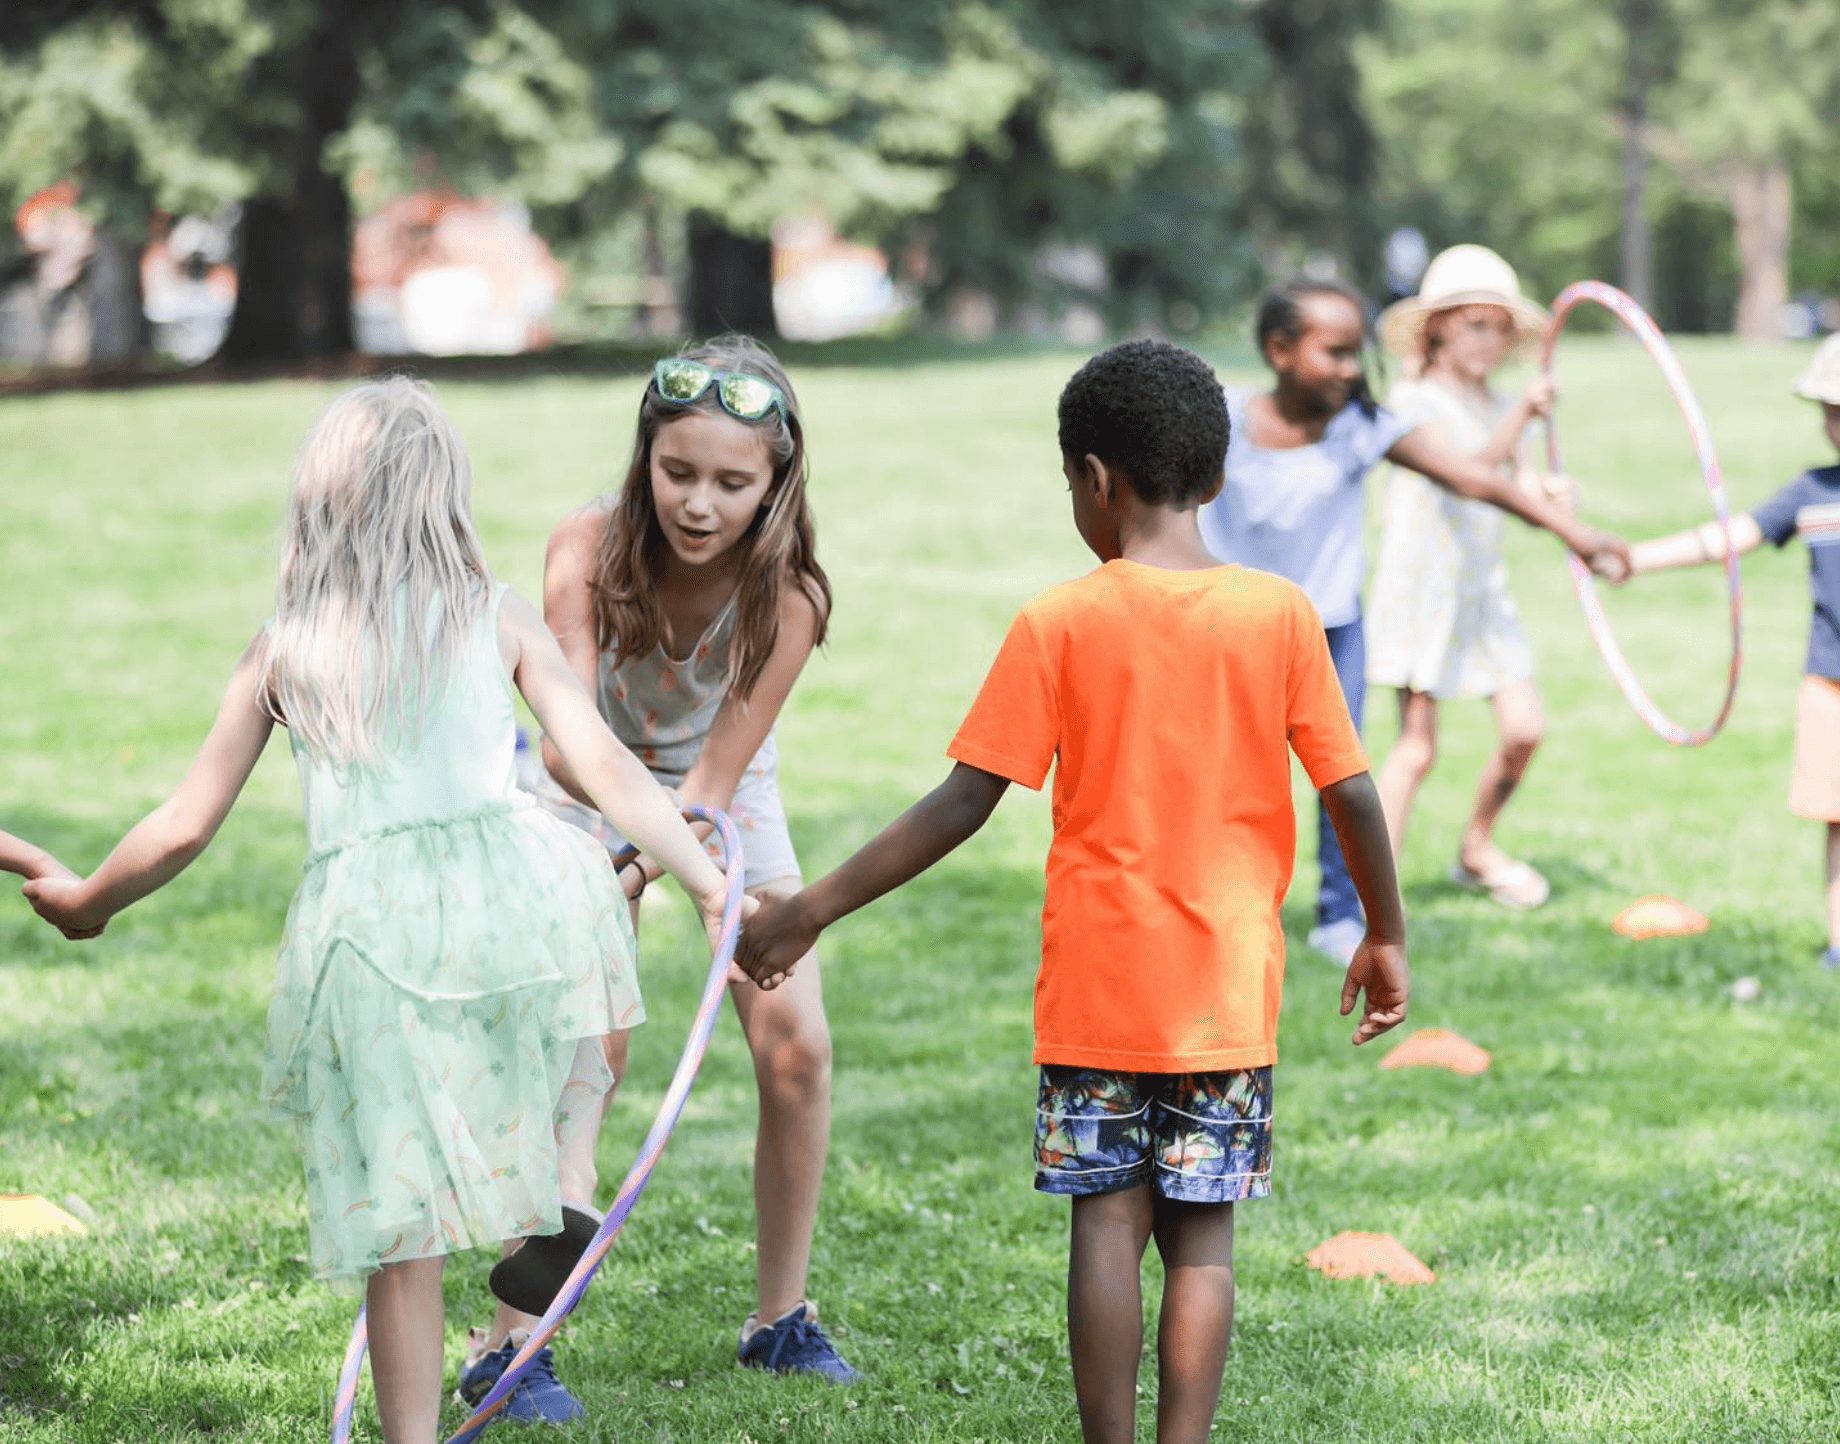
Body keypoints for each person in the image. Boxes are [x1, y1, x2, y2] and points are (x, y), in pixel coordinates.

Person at [23, 378, 733, 1441]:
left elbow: (183, 821)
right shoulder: (493, 613)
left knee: (402, 1217)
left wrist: (88, 900)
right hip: (512, 890)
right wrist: (711, 877)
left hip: (370, 934)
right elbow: (601, 763)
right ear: (445, 497)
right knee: (569, 1044)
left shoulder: (287, 646)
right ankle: (564, 1183)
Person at [732, 340, 1412, 1444]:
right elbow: (1353, 791)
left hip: (1099, 993)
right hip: (1224, 998)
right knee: (1202, 1242)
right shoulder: (1281, 615)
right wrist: (1382, 932)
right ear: (1217, 472)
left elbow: (961, 803)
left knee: (1105, 1225)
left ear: (1095, 479)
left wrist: (808, 907)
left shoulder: (1060, 619)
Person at [500, 334, 853, 1406]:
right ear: (643, 457)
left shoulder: (790, 596)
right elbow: (566, 738)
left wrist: (675, 868)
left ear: (776, 483)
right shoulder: (586, 546)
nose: (698, 503)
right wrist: (619, 866)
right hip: (581, 778)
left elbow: (711, 779)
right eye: (677, 471)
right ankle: (512, 1342)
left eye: (731, 482)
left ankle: (777, 1319)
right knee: (582, 1047)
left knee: (794, 1041)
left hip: (714, 794)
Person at [1198, 276, 1630, 963]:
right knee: (1230, 777)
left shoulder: (1361, 427)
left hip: (1328, 631)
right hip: (1227, 627)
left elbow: (1475, 478)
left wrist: (1572, 531)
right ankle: (1219, 911)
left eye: (1354, 353)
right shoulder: (1221, 419)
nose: (1349, 369)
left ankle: (1342, 917)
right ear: (1279, 349)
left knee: (1339, 778)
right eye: (1333, 353)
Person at [1626, 333, 1840, 969]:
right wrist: (1631, 560)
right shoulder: (1811, 493)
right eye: (1829, 411)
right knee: (1838, 820)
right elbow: (1731, 537)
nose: (1836, 424)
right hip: (1830, 685)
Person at [1366, 245, 1570, 908]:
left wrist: (1550, 499)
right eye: (1475, 325)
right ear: (1440, 329)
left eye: (1501, 327)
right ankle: (1379, 900)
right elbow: (1475, 474)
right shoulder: (1412, 400)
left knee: (1524, 730)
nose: (1491, 340)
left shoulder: (1499, 402)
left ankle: (1476, 848)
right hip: (1425, 591)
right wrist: (1523, 420)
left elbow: (1514, 484)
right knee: (1417, 748)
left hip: (1484, 594)